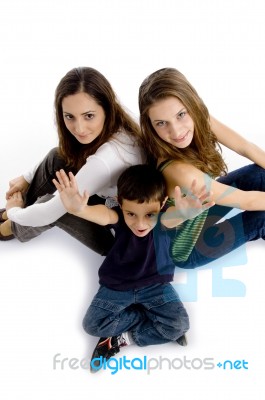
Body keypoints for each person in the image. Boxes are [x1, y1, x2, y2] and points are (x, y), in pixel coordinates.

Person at [51, 164, 214, 372]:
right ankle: (148, 316)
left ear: (163, 203)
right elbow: (103, 215)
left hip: (155, 285)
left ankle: (120, 340)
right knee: (91, 326)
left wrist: (185, 214)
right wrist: (79, 209)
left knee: (179, 326)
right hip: (117, 286)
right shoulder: (117, 216)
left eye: (149, 215)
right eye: (131, 214)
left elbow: (173, 218)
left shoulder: (165, 218)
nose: (140, 224)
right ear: (120, 203)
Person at [0, 67, 143, 255]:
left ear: (106, 108)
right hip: (110, 200)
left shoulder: (106, 160)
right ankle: (20, 212)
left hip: (121, 238)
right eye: (69, 117)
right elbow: (63, 153)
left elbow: (49, 212)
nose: (79, 128)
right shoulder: (118, 121)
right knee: (57, 156)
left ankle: (8, 227)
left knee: (59, 205)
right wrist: (27, 177)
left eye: (88, 116)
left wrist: (13, 211)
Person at [138, 67, 265, 268]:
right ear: (151, 125)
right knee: (262, 217)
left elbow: (245, 147)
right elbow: (247, 201)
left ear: (192, 105)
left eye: (181, 115)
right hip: (183, 248)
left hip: (200, 211)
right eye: (161, 123)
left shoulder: (199, 119)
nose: (176, 130)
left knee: (259, 175)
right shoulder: (178, 171)